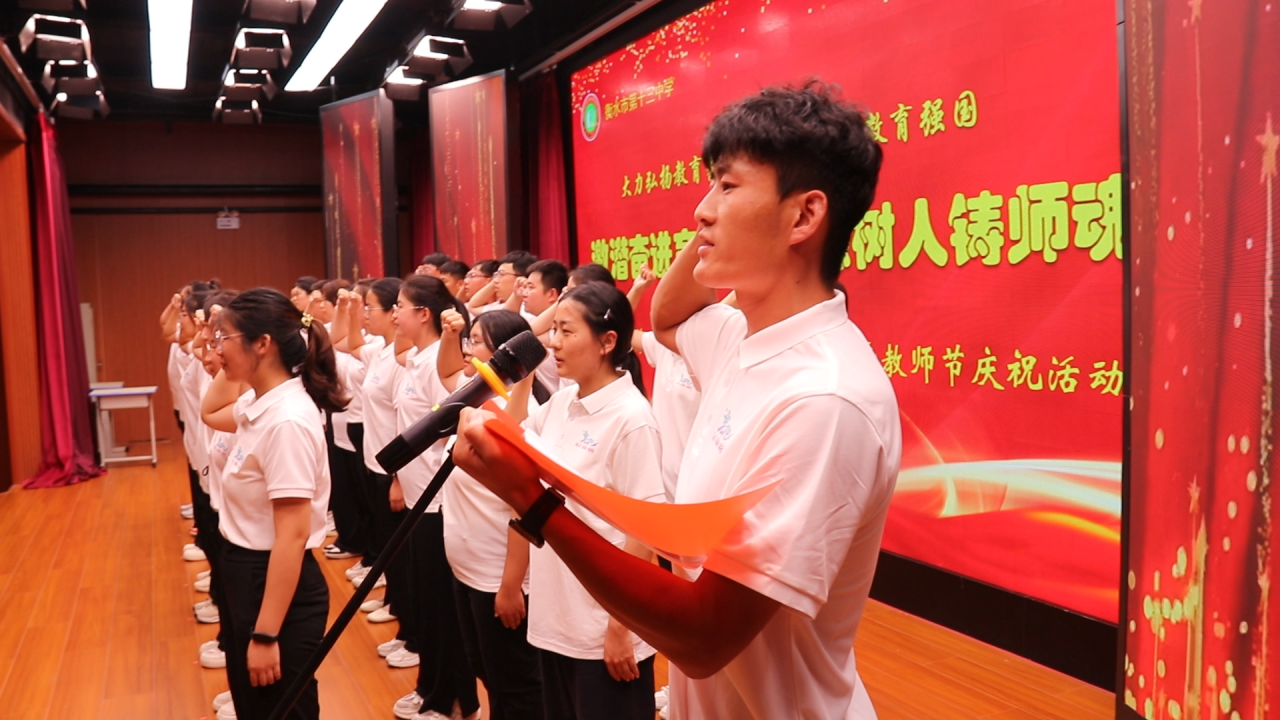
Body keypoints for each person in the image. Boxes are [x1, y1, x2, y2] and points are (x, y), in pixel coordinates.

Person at [451, 81, 901, 720]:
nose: (700, 211)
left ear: (804, 217)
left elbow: (703, 636)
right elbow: (667, 315)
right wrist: (721, 226)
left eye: (727, 185)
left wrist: (533, 499)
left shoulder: (825, 398)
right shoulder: (743, 334)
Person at [516, 281, 664, 720]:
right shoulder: (563, 401)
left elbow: (644, 532)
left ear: (607, 341)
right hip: (557, 617)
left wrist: (620, 627)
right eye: (553, 330)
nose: (553, 343)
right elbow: (512, 438)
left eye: (566, 331)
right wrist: (522, 374)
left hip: (602, 629)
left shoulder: (632, 419)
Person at [203, 287, 348, 720]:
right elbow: (211, 411)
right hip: (246, 571)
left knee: (282, 709)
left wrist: (266, 635)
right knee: (254, 706)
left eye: (224, 339)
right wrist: (231, 354)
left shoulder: (287, 421)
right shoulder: (259, 401)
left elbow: (292, 536)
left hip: (273, 580)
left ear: (263, 343)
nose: (216, 350)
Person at [437, 309, 545, 720]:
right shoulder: (475, 396)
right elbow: (447, 370)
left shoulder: (523, 413)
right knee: (485, 669)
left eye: (477, 341)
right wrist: (449, 335)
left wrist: (511, 585)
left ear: (504, 355)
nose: (468, 349)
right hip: (466, 570)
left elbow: (524, 504)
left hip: (497, 576)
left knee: (515, 685)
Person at [390, 275, 480, 720]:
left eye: (400, 306)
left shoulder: (435, 365)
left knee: (441, 609)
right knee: (425, 603)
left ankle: (452, 700)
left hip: (438, 504)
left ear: (423, 313)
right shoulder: (414, 359)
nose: (394, 314)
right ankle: (431, 687)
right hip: (416, 501)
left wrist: (453, 329)